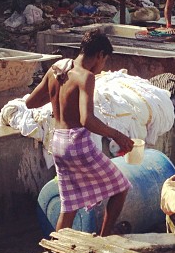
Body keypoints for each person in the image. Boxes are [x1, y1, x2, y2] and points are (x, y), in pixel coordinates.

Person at [26, 29, 134, 235]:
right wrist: (117, 135)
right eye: (104, 61)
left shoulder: (56, 69)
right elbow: (87, 120)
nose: (102, 66)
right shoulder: (85, 77)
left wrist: (57, 92)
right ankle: (104, 237)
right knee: (121, 187)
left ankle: (56, 249)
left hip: (57, 142)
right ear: (100, 55)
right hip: (76, 143)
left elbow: (31, 102)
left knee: (69, 205)